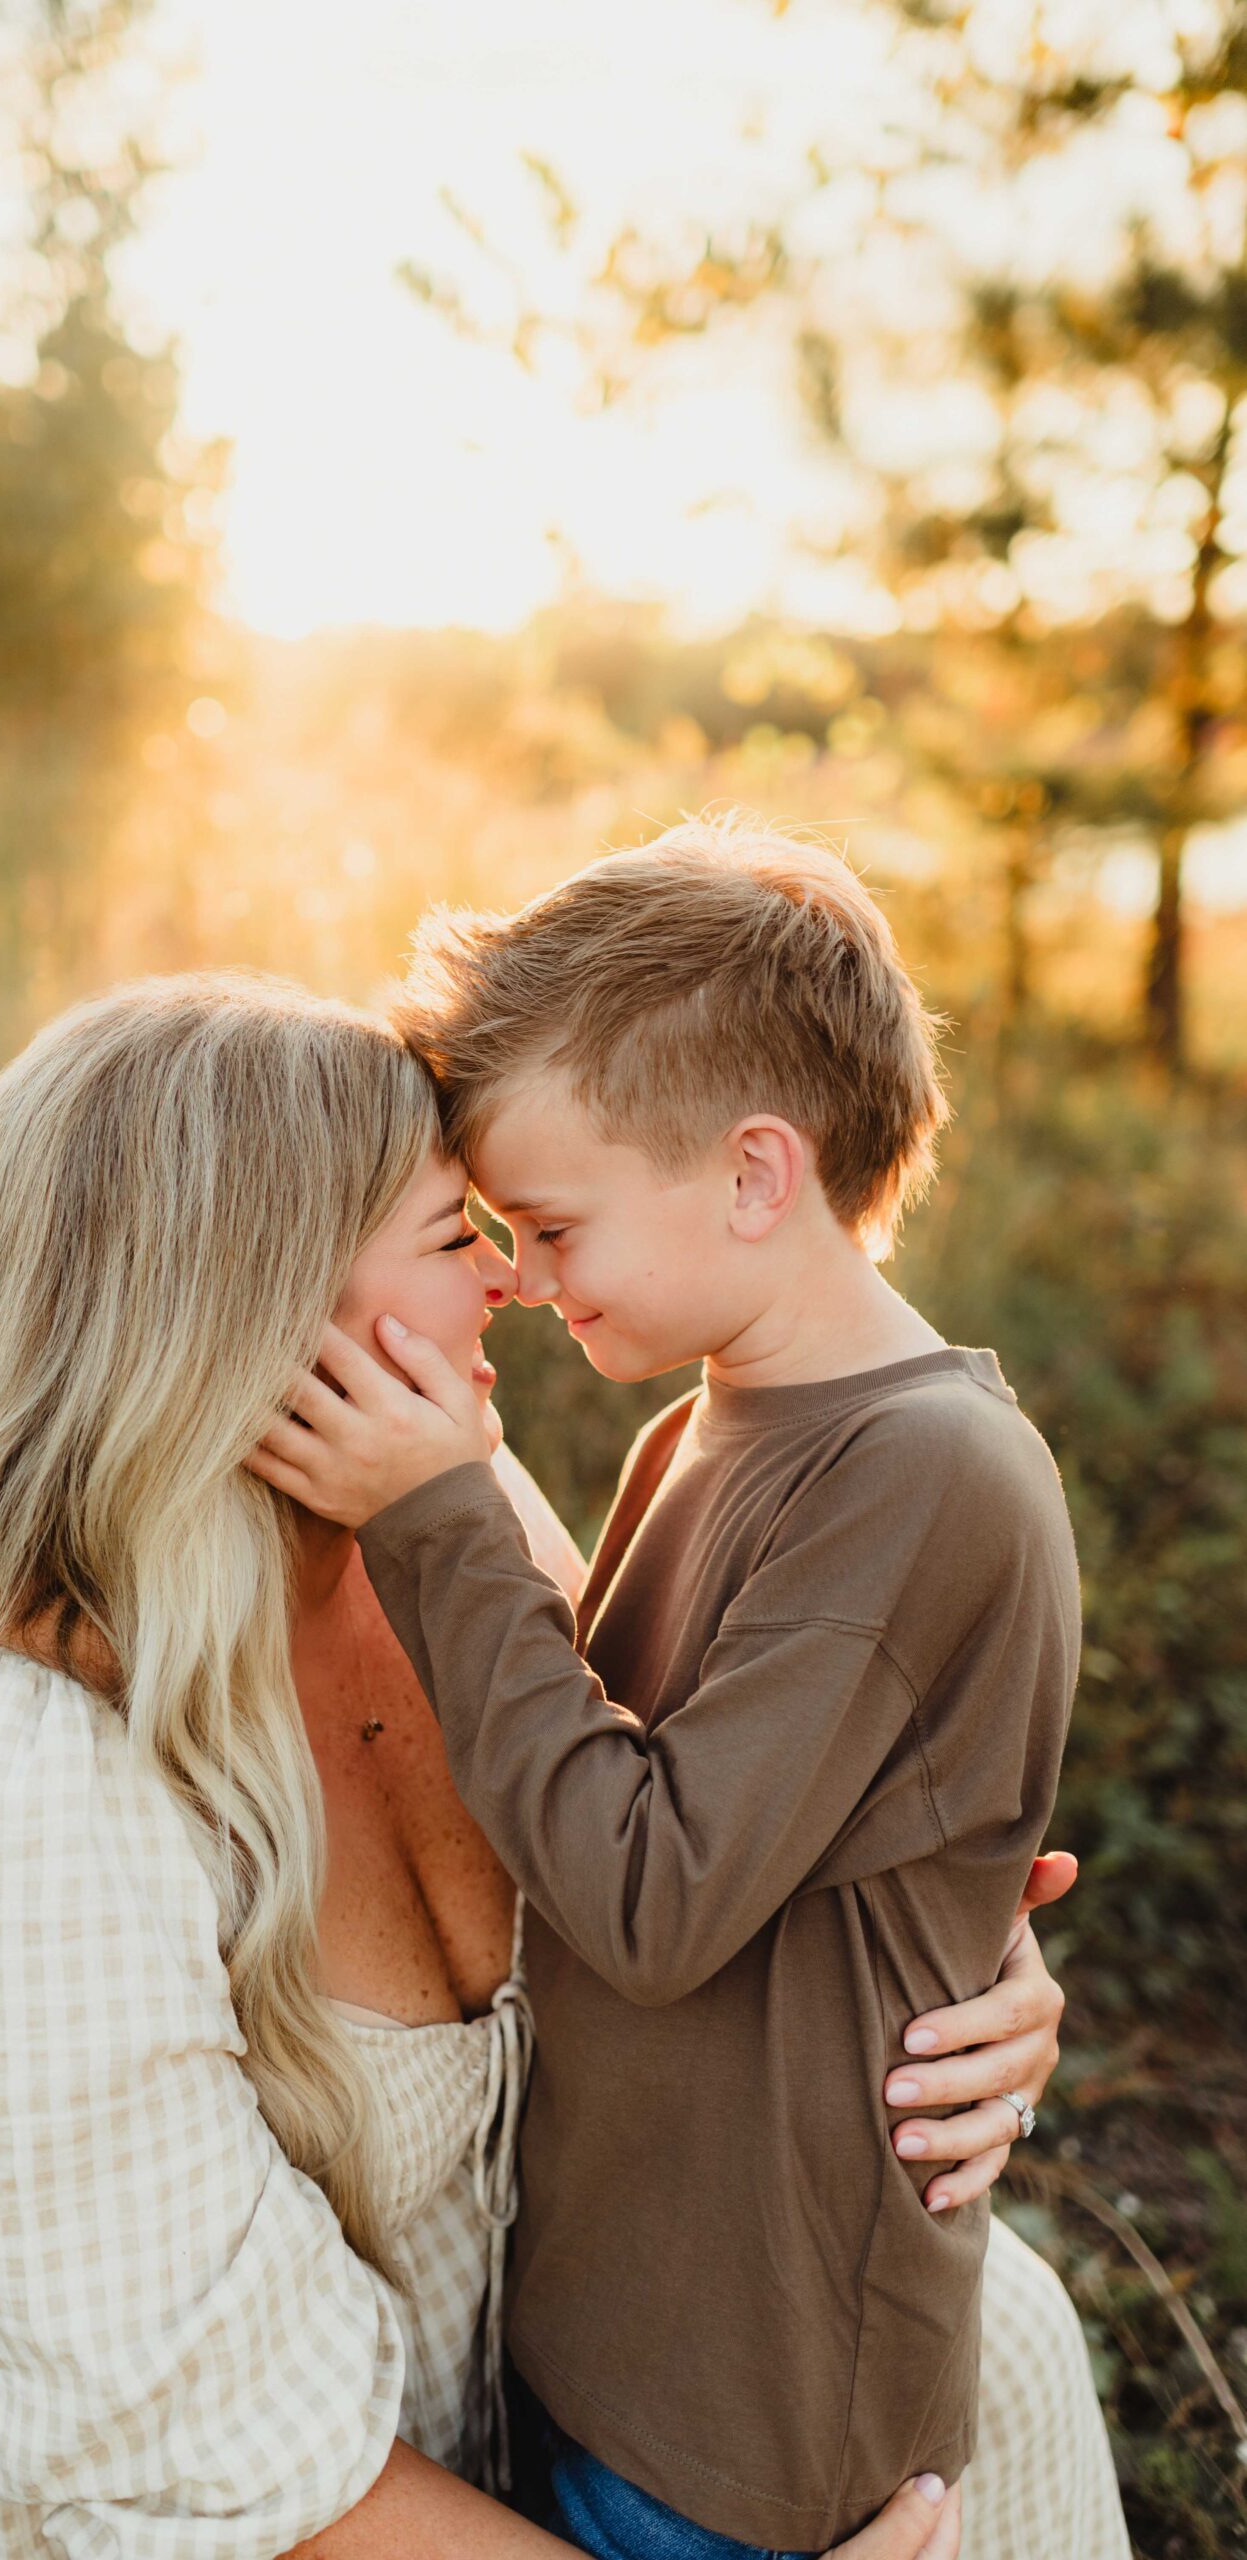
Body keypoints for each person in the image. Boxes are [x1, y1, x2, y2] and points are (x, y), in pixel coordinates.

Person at [0, 975, 1091, 2560]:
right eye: (448, 1238)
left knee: (1011, 2342)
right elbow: (234, 2472)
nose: (512, 1286)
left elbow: (688, 1842)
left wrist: (952, 1981)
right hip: (250, 2522)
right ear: (246, 1308)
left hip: (571, 2411)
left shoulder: (446, 1527)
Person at [250, 821, 1134, 2560]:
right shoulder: (705, 1426)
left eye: (554, 1223)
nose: (518, 1273)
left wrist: (437, 1521)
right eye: (496, 1232)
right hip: (624, 2325)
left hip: (748, 2404)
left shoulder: (929, 1471)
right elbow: (594, 1785)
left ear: (753, 1175)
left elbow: (649, 1896)